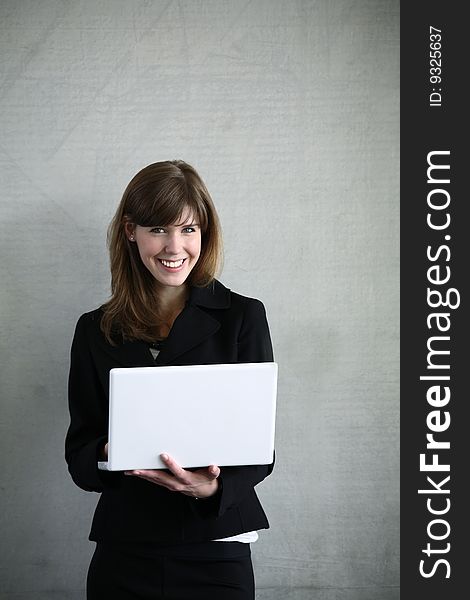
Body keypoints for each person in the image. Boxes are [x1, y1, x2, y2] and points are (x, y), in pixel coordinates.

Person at [65, 159, 275, 600]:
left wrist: (211, 486)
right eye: (158, 229)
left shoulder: (243, 316)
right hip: (126, 547)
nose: (174, 246)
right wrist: (112, 448)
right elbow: (79, 452)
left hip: (217, 546)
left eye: (189, 229)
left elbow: (259, 449)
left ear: (205, 233)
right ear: (130, 231)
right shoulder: (94, 328)